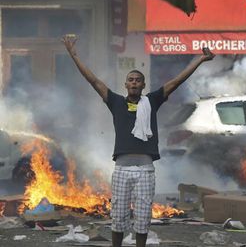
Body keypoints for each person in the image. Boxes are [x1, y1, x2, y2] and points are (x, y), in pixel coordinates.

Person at [62, 35, 215, 247]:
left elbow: (177, 81)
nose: (134, 82)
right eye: (131, 80)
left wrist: (199, 59)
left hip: (145, 171)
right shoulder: (115, 101)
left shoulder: (152, 101)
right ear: (126, 84)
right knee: (118, 218)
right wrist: (73, 54)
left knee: (143, 219)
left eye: (138, 80)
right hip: (122, 170)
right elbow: (93, 80)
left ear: (143, 84)